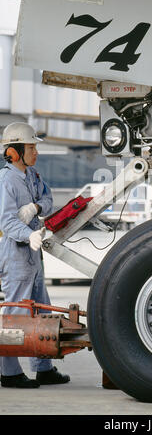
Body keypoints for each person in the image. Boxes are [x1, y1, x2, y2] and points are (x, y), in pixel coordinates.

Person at [0, 122, 70, 388]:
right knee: (16, 315)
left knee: (41, 311)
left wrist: (36, 206)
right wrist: (27, 233)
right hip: (15, 254)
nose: (36, 152)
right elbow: (6, 223)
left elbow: (49, 199)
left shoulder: (32, 176)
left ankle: (43, 368)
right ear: (14, 152)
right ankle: (9, 372)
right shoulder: (6, 181)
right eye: (31, 147)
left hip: (33, 255)